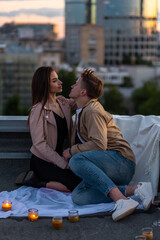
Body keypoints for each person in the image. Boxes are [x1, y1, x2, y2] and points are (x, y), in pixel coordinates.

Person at [63, 69, 154, 221]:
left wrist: (72, 151)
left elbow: (99, 144)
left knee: (76, 160)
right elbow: (71, 104)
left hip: (121, 162)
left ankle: (121, 200)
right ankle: (136, 190)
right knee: (79, 196)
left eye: (76, 84)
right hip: (111, 168)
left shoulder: (92, 110)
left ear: (83, 92)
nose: (72, 85)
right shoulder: (82, 109)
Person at [16, 66, 81, 192]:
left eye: (58, 79)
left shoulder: (63, 103)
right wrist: (64, 164)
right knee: (74, 184)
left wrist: (83, 81)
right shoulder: (38, 110)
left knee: (82, 179)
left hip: (59, 157)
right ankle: (37, 182)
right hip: (42, 161)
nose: (60, 82)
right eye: (55, 80)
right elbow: (39, 144)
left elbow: (82, 98)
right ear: (45, 85)